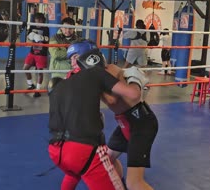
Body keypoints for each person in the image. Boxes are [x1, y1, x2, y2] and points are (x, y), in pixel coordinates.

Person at [47, 40, 149, 190]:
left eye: (76, 56)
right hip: (84, 148)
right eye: (71, 59)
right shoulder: (97, 72)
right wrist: (135, 79)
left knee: (75, 172)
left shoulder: (65, 81)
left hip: (57, 149)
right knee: (128, 181)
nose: (73, 62)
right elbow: (126, 96)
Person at [23, 13, 49, 97]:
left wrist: (41, 38)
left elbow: (48, 39)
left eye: (39, 20)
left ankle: (37, 90)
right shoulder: (32, 27)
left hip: (42, 53)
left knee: (39, 72)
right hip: (32, 51)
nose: (38, 22)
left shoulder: (46, 28)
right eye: (36, 20)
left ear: (42, 20)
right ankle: (31, 85)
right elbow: (28, 37)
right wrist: (30, 36)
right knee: (25, 68)